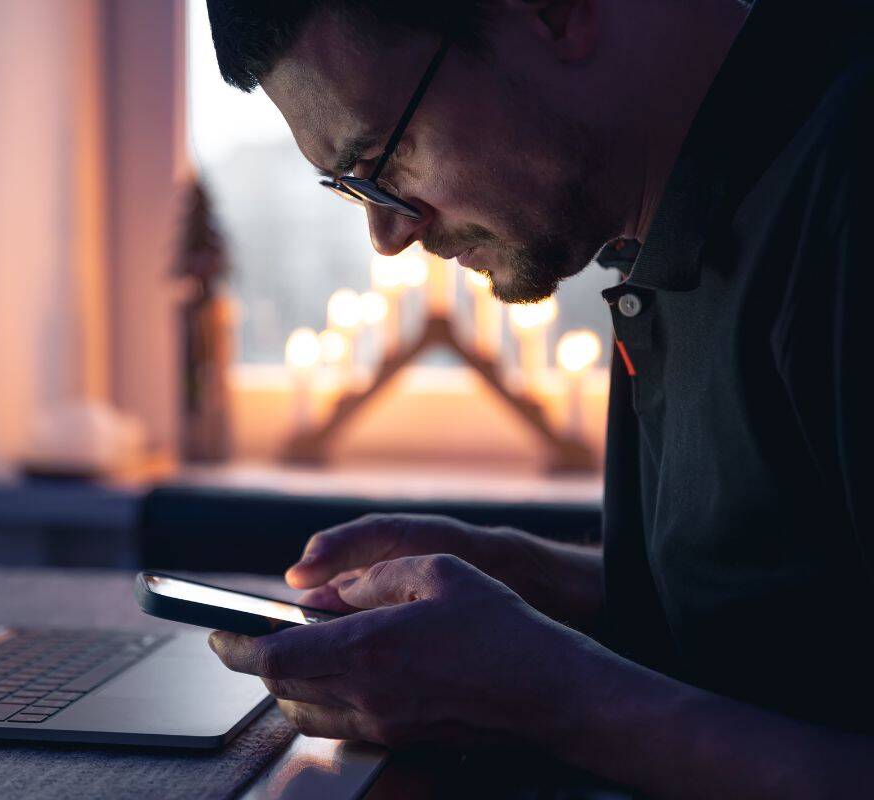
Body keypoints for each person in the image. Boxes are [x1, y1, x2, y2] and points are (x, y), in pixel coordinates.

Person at [203, 0, 874, 794]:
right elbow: (793, 620)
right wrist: (538, 581)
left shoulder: (848, 193)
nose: (388, 236)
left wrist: (550, 701)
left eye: (385, 156)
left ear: (553, 17)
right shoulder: (675, 218)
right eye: (353, 187)